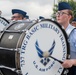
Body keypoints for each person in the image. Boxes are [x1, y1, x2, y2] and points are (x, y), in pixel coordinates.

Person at [56, 2, 76, 75]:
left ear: (69, 16)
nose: (58, 15)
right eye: (57, 13)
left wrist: (72, 62)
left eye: (62, 13)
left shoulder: (74, 33)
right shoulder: (54, 33)